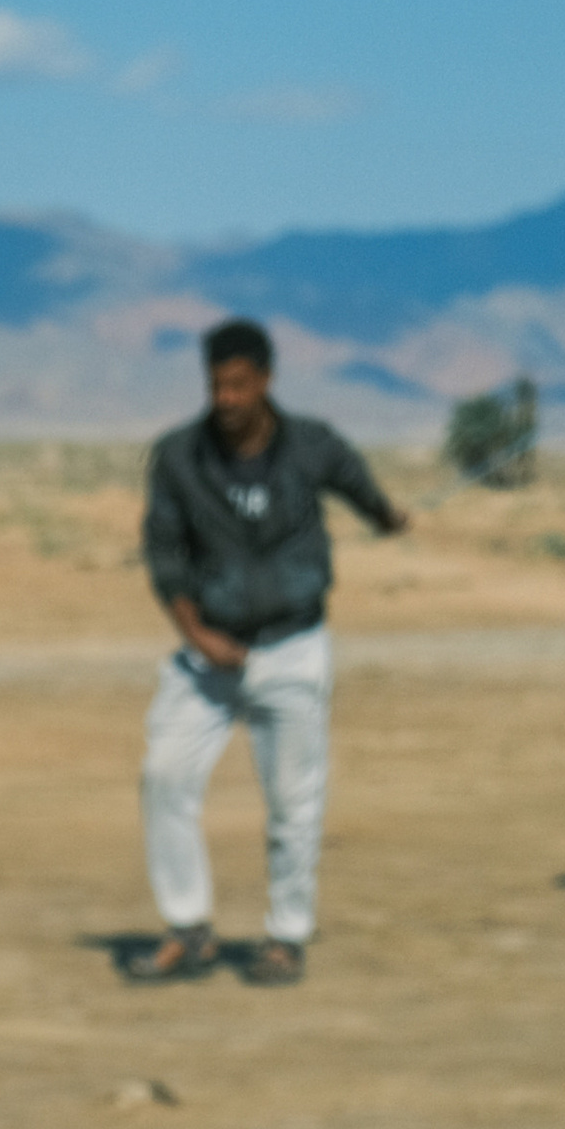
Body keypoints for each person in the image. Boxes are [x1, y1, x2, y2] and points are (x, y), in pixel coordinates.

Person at [126, 317, 407, 988]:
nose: (226, 399)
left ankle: (285, 936)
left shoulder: (313, 446)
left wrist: (386, 516)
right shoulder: (179, 457)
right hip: (208, 655)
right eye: (216, 385)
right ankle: (187, 928)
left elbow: (360, 487)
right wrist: (198, 636)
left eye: (238, 385)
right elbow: (165, 556)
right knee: (164, 775)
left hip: (294, 648)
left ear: (265, 381)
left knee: (293, 802)